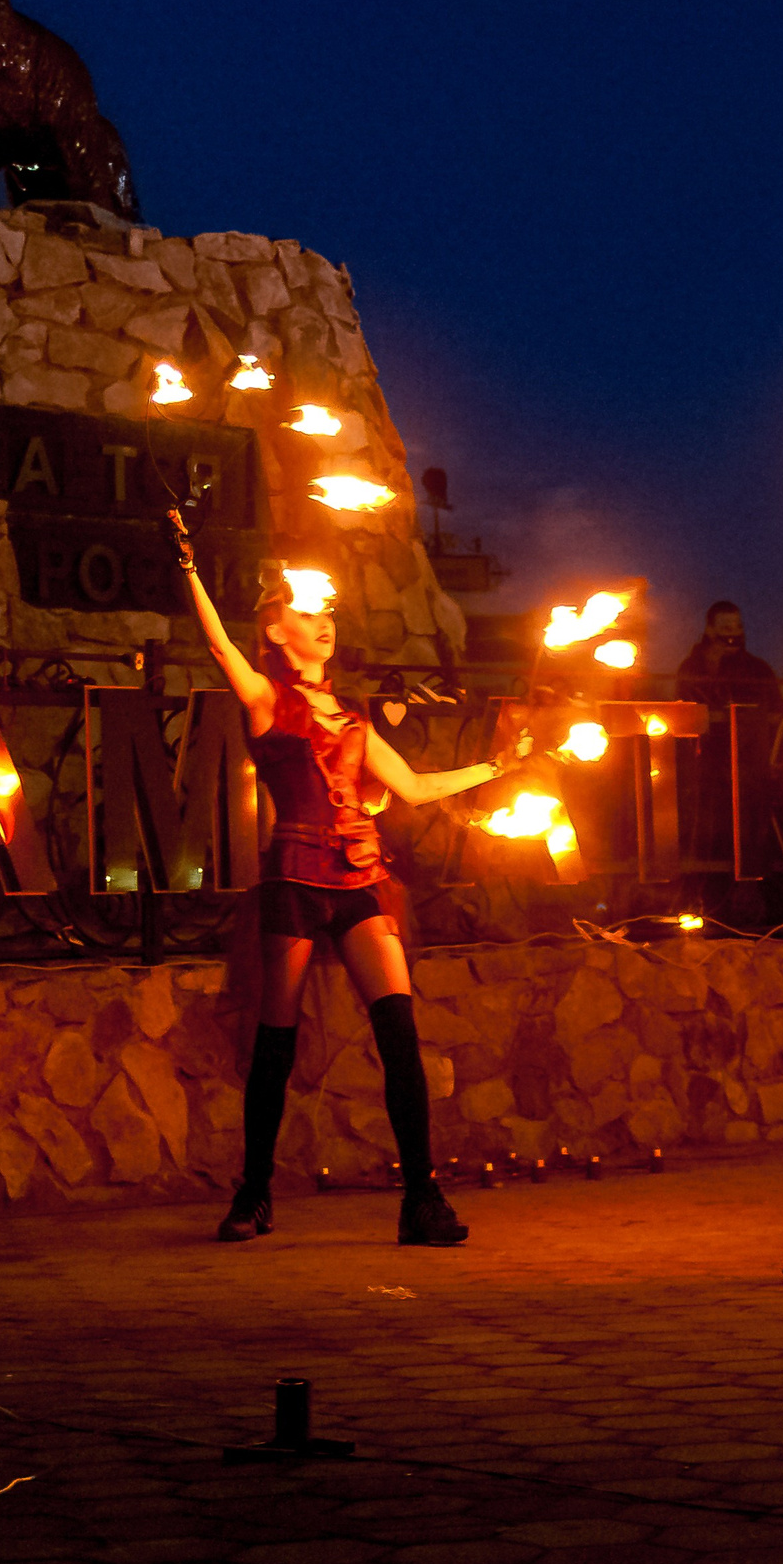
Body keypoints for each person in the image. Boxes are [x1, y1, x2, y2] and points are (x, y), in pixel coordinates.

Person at [167, 512, 530, 1243]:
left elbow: (415, 787)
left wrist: (499, 766)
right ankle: (254, 1194)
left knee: (399, 1032)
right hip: (296, 883)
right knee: (276, 1042)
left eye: (326, 613)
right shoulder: (268, 702)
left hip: (363, 879)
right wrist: (188, 567)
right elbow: (217, 645)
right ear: (276, 632)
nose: (322, 621)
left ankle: (421, 1198)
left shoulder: (356, 720)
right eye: (305, 613)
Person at [677, 602, 783, 871]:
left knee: (752, 835)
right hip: (706, 769)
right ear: (710, 630)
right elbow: (685, 715)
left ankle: (753, 875)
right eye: (725, 627)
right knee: (711, 835)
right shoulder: (692, 669)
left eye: (737, 626)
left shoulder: (758, 670)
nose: (733, 633)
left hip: (752, 767)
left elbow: (778, 714)